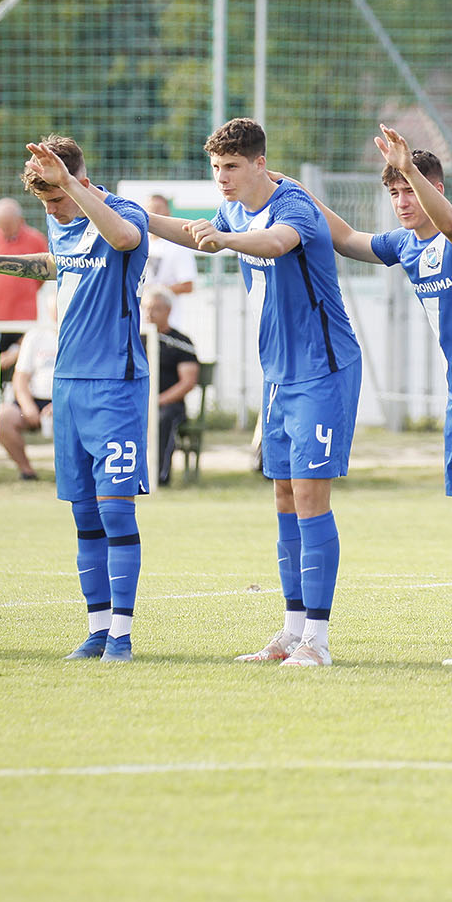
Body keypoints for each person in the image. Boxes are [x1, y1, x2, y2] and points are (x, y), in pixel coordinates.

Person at [310, 130, 452, 669]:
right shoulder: (404, 245)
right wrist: (293, 192)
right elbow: (346, 238)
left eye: (411, 190)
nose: (402, 202)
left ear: (435, 188)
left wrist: (408, 167)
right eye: (394, 193)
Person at [158, 118, 361, 668]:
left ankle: (317, 640)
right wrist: (137, 217)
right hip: (279, 374)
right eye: (216, 168)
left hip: (323, 369)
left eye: (231, 167)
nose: (222, 178)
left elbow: (276, 244)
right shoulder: (233, 211)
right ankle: (291, 631)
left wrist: (222, 239)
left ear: (259, 165)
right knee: (283, 498)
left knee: (311, 496)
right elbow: (191, 230)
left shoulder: (291, 203)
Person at [0, 136, 151, 661]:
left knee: (116, 512)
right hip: (69, 387)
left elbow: (122, 240)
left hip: (116, 384)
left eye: (57, 198)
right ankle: (97, 629)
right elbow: (56, 263)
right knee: (83, 516)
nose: (52, 210)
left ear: (79, 179)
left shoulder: (123, 212)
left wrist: (72, 186)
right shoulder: (62, 220)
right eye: (45, 203)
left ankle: (122, 633)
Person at [0, 283, 58, 481]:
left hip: (65, 402)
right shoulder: (35, 336)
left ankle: (70, 474)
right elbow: (20, 378)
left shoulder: (82, 336)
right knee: (3, 417)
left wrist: (58, 405)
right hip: (34, 400)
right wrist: (27, 406)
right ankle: (27, 471)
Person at [0, 196, 48, 373]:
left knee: (19, 367)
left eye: (9, 226)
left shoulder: (36, 239)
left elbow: (42, 277)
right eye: (2, 225)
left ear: (20, 220)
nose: (5, 230)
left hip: (24, 319)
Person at [146, 290, 200, 486]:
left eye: (155, 309)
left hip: (169, 405)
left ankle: (159, 476)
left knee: (163, 418)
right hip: (139, 402)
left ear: (168, 311)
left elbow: (188, 382)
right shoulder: (137, 338)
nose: (149, 313)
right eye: (147, 308)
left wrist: (157, 401)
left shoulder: (181, 342)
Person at [142, 194, 197, 330]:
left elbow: (187, 285)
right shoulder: (140, 242)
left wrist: (156, 292)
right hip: (141, 323)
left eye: (158, 209)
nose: (153, 213)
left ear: (168, 212)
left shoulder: (178, 246)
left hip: (169, 324)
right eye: (150, 209)